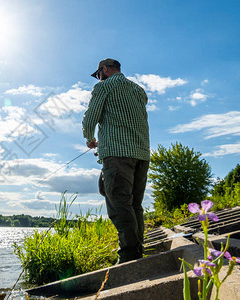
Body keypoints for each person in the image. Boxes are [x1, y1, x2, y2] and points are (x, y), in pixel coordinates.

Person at [82, 58, 150, 263]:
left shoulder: (103, 87)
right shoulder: (138, 90)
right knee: (135, 205)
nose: (99, 78)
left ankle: (129, 255)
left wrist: (89, 138)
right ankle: (137, 250)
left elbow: (89, 119)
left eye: (99, 74)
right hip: (142, 154)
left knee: (119, 203)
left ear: (104, 70)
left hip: (117, 155)